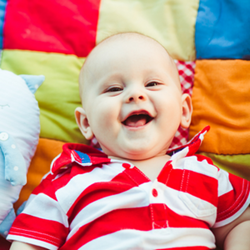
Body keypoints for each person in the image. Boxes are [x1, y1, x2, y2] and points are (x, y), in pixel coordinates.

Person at [8, 33, 250, 250]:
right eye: (113, 88)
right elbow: (30, 242)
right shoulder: (66, 182)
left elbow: (242, 223)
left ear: (185, 111)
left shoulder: (205, 174)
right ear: (86, 123)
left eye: (152, 84)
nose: (135, 94)